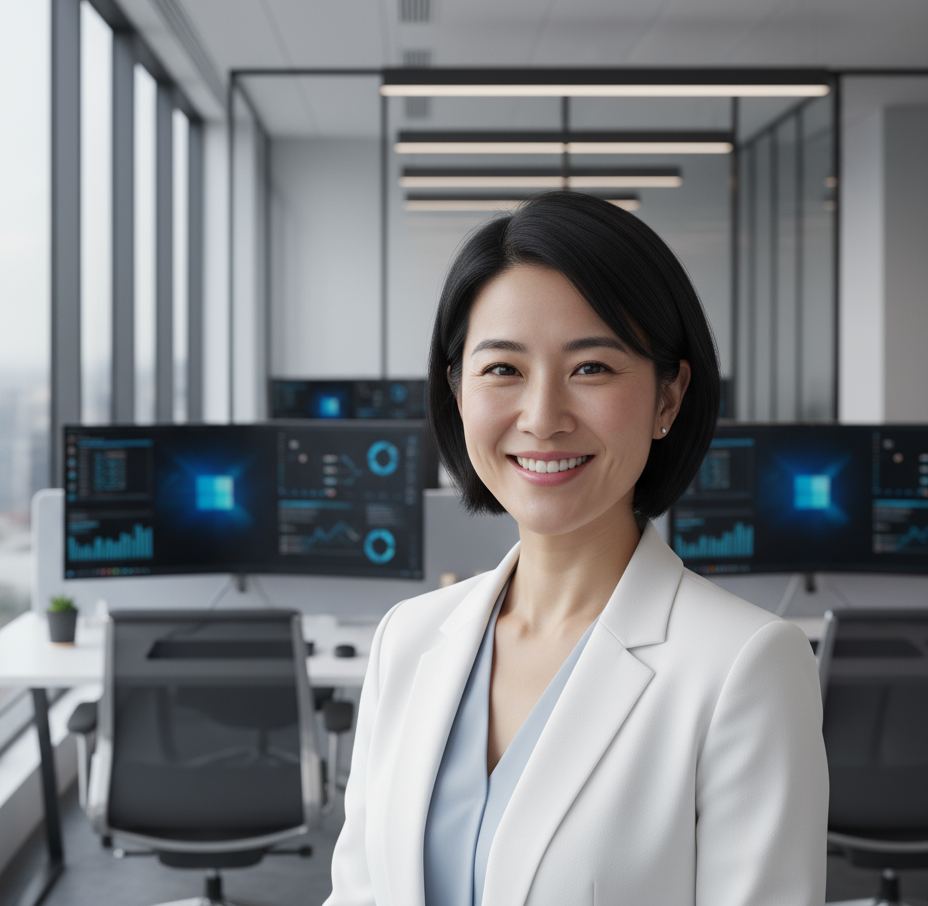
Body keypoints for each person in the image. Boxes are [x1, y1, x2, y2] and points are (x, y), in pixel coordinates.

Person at [324, 191, 828, 906]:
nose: (542, 417)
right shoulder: (407, 640)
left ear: (667, 398)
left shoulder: (743, 667)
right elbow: (361, 894)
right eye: (503, 369)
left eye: (591, 368)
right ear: (457, 392)